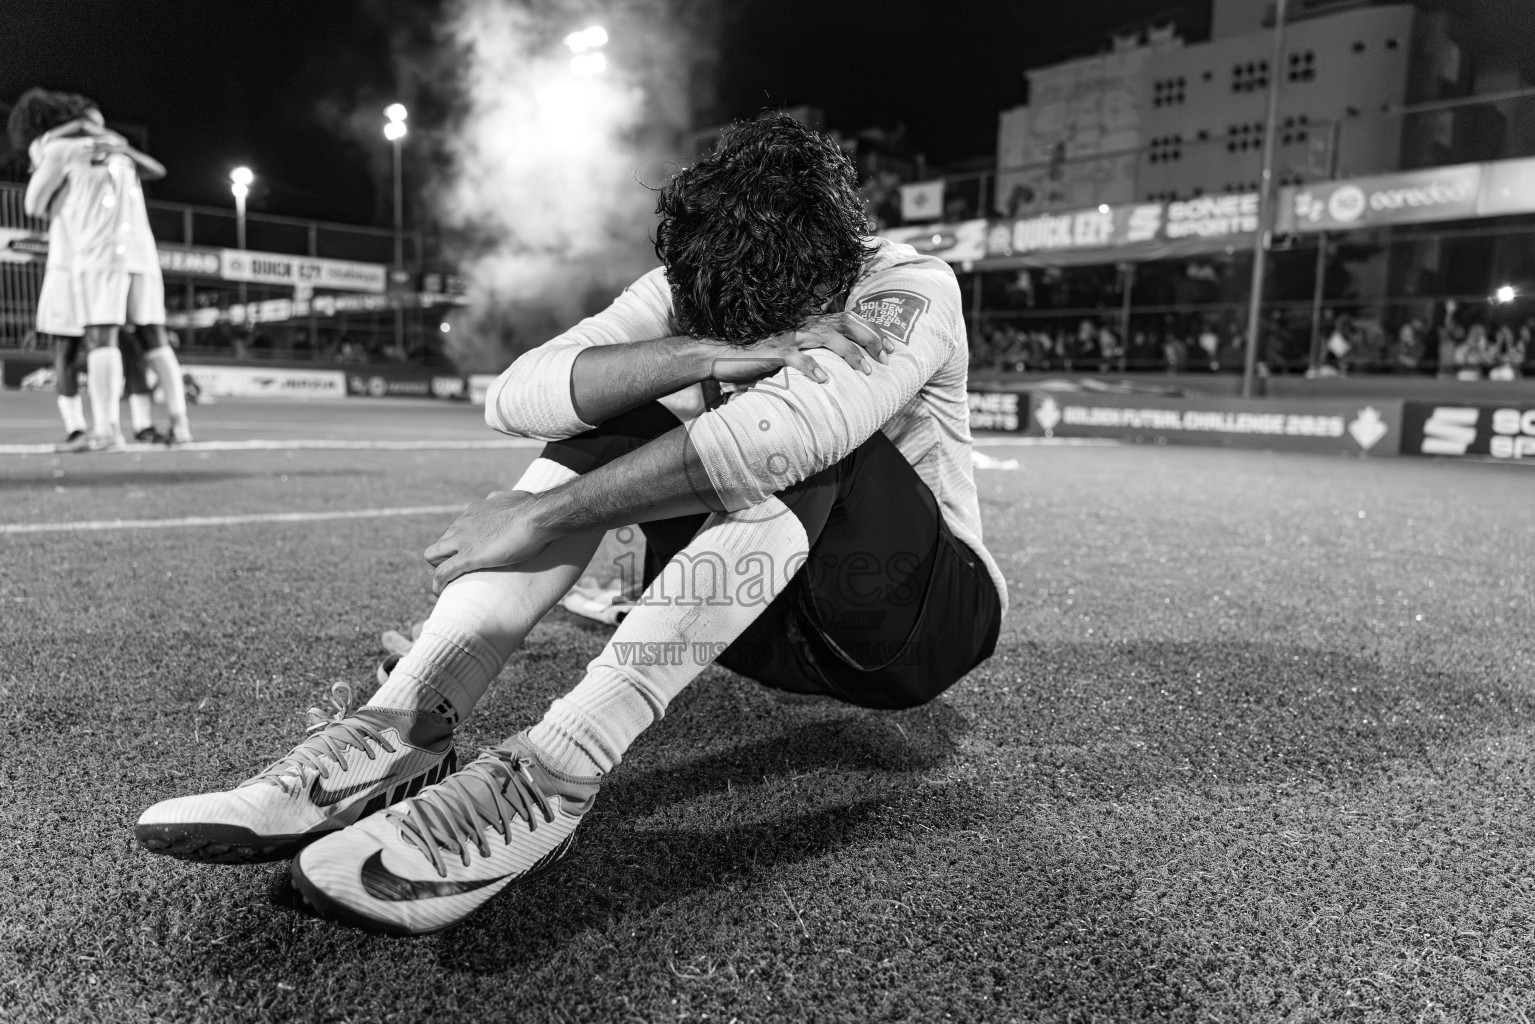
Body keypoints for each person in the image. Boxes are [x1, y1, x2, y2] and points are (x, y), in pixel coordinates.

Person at [136, 115, 1006, 936]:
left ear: (831, 267)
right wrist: (700, 353)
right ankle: (402, 727)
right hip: (761, 612)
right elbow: (515, 393)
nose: (752, 334)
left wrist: (539, 516)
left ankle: (557, 772)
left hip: (912, 621)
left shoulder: (907, 285)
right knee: (613, 409)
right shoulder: (684, 289)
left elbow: (777, 438)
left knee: (805, 434)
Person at [18, 89, 192, 448]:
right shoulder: (118, 153)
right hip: (138, 255)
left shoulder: (61, 149)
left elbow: (33, 205)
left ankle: (108, 430)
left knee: (102, 339)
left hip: (94, 256)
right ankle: (178, 425)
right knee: (149, 338)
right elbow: (157, 169)